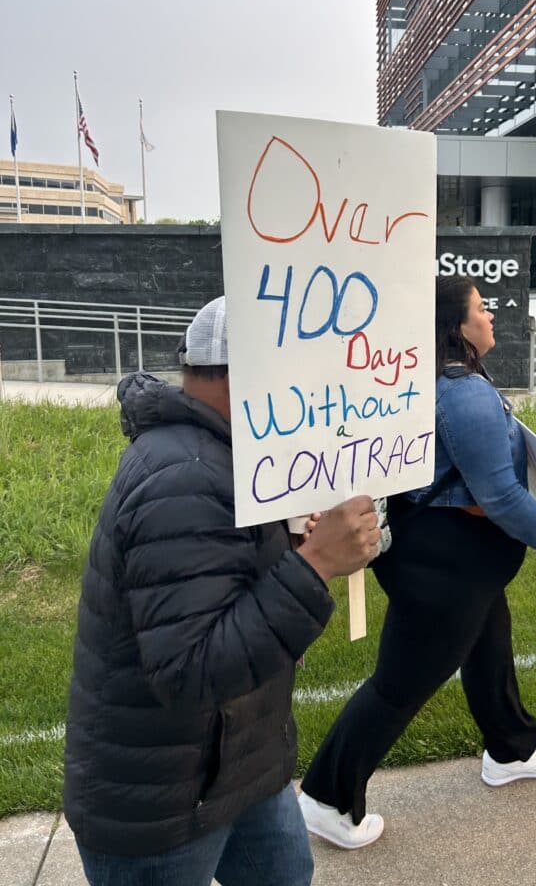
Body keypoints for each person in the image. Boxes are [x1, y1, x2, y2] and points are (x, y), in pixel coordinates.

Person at [63, 295, 382, 886]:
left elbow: (227, 589)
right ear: (257, 374)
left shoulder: (236, 456)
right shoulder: (185, 476)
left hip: (238, 764)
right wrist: (313, 567)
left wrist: (289, 550)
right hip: (162, 801)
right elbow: (188, 672)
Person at [298, 275, 536, 849]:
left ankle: (508, 750)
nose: (490, 318)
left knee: (490, 647)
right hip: (447, 566)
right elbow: (504, 498)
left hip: (453, 560)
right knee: (402, 683)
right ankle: (326, 797)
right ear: (458, 328)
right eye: (481, 310)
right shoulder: (464, 394)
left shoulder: (427, 379)